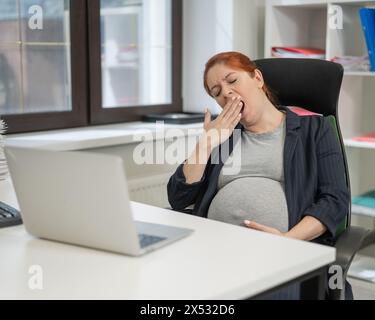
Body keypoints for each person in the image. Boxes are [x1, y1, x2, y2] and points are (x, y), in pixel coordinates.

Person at [167, 51, 351, 299]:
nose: (226, 93)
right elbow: (178, 198)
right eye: (216, 92)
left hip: (281, 256)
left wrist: (286, 241)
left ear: (257, 78)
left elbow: (334, 200)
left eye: (232, 81)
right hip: (215, 252)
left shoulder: (314, 130)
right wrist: (205, 144)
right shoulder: (223, 138)